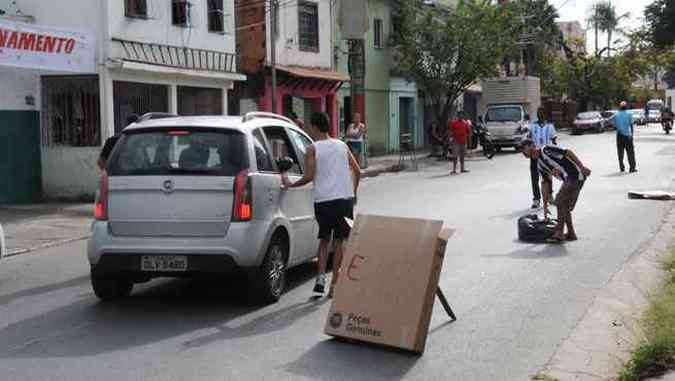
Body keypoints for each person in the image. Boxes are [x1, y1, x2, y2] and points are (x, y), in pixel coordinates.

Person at [281, 112, 361, 297]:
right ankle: (335, 283)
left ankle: (320, 278)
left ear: (315, 127)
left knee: (324, 240)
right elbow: (357, 171)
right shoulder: (342, 145)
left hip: (324, 200)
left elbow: (309, 176)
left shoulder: (313, 148)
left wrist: (290, 184)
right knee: (339, 241)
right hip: (344, 199)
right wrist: (354, 193)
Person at [519, 139, 591, 243]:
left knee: (560, 201)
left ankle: (559, 233)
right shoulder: (540, 164)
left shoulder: (546, 150)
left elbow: (568, 152)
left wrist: (582, 166)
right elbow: (545, 184)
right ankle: (571, 234)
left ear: (532, 146)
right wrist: (544, 207)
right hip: (569, 179)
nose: (523, 151)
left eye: (524, 147)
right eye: (522, 150)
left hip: (575, 175)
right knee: (564, 206)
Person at [527, 107, 558, 209]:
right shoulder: (532, 126)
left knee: (548, 177)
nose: (540, 115)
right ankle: (536, 199)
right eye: (538, 113)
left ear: (545, 114)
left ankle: (549, 196)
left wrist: (554, 153)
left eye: (542, 113)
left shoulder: (550, 126)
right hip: (535, 155)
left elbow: (554, 141)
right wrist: (529, 149)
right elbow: (528, 139)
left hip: (546, 156)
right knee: (535, 178)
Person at [615, 101, 637, 173]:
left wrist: (618, 126)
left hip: (619, 135)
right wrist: (632, 135)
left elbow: (611, 121)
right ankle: (632, 168)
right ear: (626, 107)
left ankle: (621, 167)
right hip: (628, 136)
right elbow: (631, 125)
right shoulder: (629, 114)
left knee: (620, 152)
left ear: (620, 107)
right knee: (630, 152)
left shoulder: (616, 114)